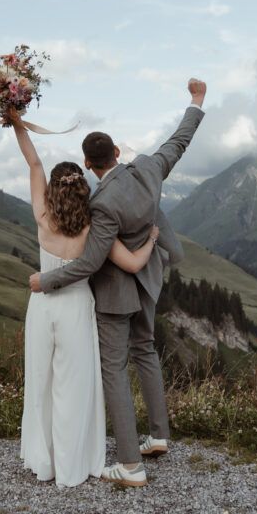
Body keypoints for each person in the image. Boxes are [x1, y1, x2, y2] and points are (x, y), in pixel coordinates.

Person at [29, 78, 207, 487]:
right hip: (149, 279)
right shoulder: (148, 167)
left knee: (114, 369)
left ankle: (129, 464)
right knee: (146, 352)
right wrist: (196, 100)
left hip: (115, 295)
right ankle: (158, 435)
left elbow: (90, 264)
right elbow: (179, 141)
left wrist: (47, 281)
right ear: (118, 152)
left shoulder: (101, 205)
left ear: (88, 165)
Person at [11, 115, 161, 488]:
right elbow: (131, 263)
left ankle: (43, 462)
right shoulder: (94, 228)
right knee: (73, 387)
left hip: (43, 308)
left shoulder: (42, 218)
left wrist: (16, 122)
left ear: (52, 192)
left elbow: (33, 163)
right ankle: (73, 461)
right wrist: (151, 241)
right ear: (83, 189)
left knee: (41, 383)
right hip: (77, 309)